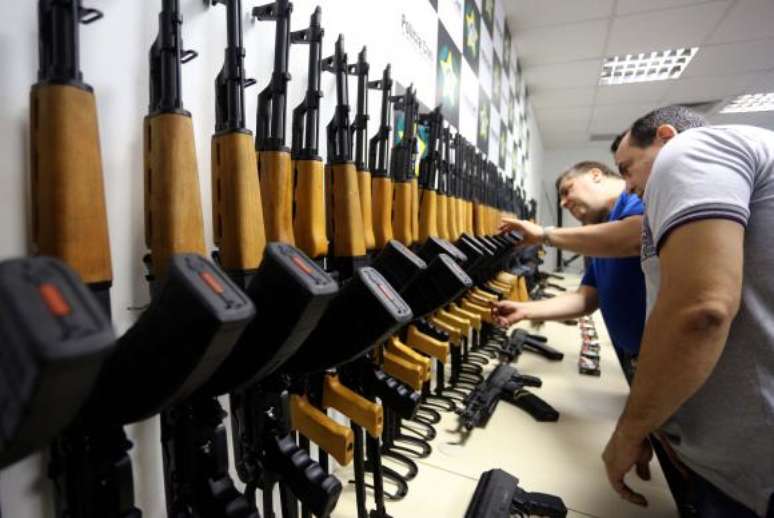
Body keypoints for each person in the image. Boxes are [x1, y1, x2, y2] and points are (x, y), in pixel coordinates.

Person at [605, 105, 774, 517]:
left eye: (627, 168)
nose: (627, 188)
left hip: (750, 472)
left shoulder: (691, 148)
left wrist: (630, 430)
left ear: (665, 136)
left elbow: (701, 310)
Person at [494, 161, 644, 372]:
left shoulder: (636, 199)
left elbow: (635, 238)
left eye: (567, 190)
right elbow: (585, 299)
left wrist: (544, 235)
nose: (563, 203)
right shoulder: (602, 234)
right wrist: (525, 310)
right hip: (634, 358)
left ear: (595, 175)